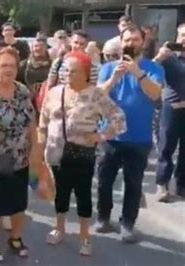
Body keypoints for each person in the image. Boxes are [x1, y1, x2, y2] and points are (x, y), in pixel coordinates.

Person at [39, 51, 126, 256]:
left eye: (74, 70)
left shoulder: (96, 95)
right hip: (55, 152)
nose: (68, 74)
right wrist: (40, 145)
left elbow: (119, 119)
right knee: (60, 193)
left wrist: (101, 136)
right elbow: (43, 120)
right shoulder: (54, 92)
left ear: (86, 73)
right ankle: (59, 228)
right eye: (66, 69)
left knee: (83, 195)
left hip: (82, 154)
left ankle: (85, 236)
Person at [0, 47, 54, 262]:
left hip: (20, 159)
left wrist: (36, 151)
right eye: (4, 65)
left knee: (19, 203)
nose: (9, 69)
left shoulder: (22, 92)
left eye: (12, 65)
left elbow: (31, 124)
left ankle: (16, 238)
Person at [96, 25, 164, 243]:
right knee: (104, 182)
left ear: (143, 43)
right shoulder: (108, 68)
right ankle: (103, 218)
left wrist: (137, 73)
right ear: (121, 41)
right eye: (127, 39)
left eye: (135, 39)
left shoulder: (153, 68)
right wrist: (114, 78)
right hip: (111, 136)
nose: (131, 43)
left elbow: (155, 94)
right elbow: (97, 97)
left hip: (139, 138)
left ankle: (127, 224)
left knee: (133, 184)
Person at [153, 23, 185, 201]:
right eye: (181, 35)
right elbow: (150, 71)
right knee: (166, 147)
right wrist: (159, 57)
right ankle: (162, 184)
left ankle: (181, 186)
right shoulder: (170, 57)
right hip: (171, 108)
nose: (184, 39)